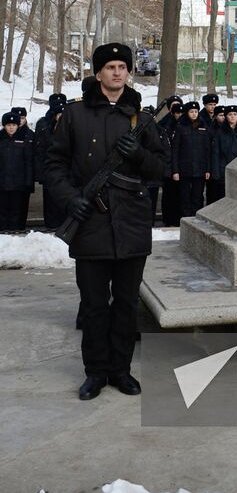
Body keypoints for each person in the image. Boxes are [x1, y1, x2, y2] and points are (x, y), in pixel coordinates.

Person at [44, 42, 166, 401]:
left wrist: (140, 154)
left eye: (122, 66)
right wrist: (70, 198)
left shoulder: (141, 120)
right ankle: (95, 372)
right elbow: (53, 165)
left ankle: (120, 370)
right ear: (98, 73)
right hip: (91, 224)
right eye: (110, 66)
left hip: (131, 224)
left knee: (126, 304)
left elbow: (160, 168)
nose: (117, 72)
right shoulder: (75, 115)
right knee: (95, 305)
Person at [34, 93, 68, 229]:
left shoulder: (70, 122)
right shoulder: (43, 124)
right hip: (49, 170)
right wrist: (40, 173)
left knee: (64, 199)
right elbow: (39, 150)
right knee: (50, 202)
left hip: (66, 170)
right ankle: (51, 226)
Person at [171, 101, 211, 217]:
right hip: (184, 169)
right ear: (187, 113)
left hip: (200, 168)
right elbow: (175, 150)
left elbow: (207, 150)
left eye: (196, 112)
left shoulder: (203, 126)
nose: (194, 114)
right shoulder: (180, 127)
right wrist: (175, 171)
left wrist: (208, 169)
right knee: (184, 197)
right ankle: (185, 219)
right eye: (191, 112)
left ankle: (196, 220)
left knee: (197, 197)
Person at [0, 110, 34, 232]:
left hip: (18, 184)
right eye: (8, 125)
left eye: (13, 125)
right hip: (2, 183)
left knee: (16, 211)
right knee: (2, 211)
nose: (11, 128)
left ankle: (15, 234)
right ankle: (3, 235)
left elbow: (29, 162)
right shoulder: (0, 139)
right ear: (4, 126)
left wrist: (29, 181)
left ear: (17, 126)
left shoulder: (23, 140)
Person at [210, 106, 237, 204]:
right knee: (223, 199)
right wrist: (216, 173)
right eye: (230, 114)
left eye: (235, 114)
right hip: (224, 170)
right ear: (226, 116)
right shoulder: (220, 133)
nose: (232, 117)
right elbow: (215, 153)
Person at [159, 97, 183, 226]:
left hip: (182, 165)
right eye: (174, 106)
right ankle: (168, 219)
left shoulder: (186, 123)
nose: (177, 109)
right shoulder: (164, 124)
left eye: (178, 106)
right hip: (168, 165)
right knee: (168, 195)